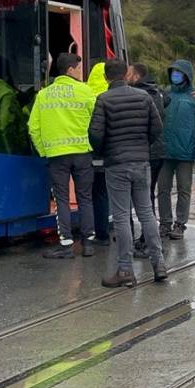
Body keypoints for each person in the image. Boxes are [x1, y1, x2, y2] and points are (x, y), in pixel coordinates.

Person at [90, 60, 167, 287]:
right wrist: (142, 146)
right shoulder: (143, 97)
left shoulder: (103, 99)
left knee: (123, 217)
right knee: (146, 213)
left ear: (106, 77)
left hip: (116, 164)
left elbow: (95, 134)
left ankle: (125, 270)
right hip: (141, 162)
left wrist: (104, 151)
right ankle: (159, 263)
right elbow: (157, 129)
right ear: (126, 74)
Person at [28, 53, 97, 259]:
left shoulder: (43, 95)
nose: (80, 72)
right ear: (70, 70)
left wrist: (44, 150)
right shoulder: (86, 91)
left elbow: (33, 127)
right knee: (85, 198)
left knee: (62, 200)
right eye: (78, 68)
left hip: (57, 156)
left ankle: (66, 245)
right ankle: (88, 244)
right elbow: (98, 122)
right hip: (83, 153)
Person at [127, 63, 169, 254]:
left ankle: (148, 240)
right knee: (148, 194)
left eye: (128, 73)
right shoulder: (156, 92)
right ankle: (147, 237)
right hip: (157, 150)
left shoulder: (142, 95)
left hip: (149, 151)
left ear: (136, 76)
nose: (125, 76)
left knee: (145, 197)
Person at [157, 60, 195, 241]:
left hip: (186, 152)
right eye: (173, 72)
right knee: (162, 189)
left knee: (184, 189)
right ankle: (165, 223)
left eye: (179, 72)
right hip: (165, 151)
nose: (175, 75)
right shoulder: (165, 93)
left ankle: (180, 224)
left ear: (187, 75)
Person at [87, 61, 112, 245]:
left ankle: (97, 233)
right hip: (114, 153)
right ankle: (114, 230)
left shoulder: (87, 95)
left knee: (94, 193)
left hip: (93, 154)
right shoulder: (113, 96)